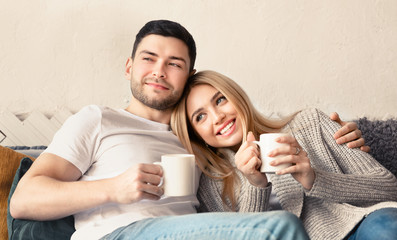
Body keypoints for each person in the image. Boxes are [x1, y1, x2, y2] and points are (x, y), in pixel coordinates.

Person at [9, 20, 364, 240]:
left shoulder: (201, 135)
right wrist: (113, 189)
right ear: (130, 66)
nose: (159, 71)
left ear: (188, 75)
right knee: (277, 229)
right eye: (148, 59)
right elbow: (25, 201)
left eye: (174, 63)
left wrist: (341, 139)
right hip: (121, 234)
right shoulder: (99, 120)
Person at [171, 70, 397, 240]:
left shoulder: (309, 123)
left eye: (220, 100)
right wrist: (255, 185)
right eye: (200, 117)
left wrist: (315, 179)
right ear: (196, 134)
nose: (217, 116)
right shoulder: (210, 183)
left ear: (237, 97)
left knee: (384, 227)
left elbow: (388, 186)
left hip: (359, 229)